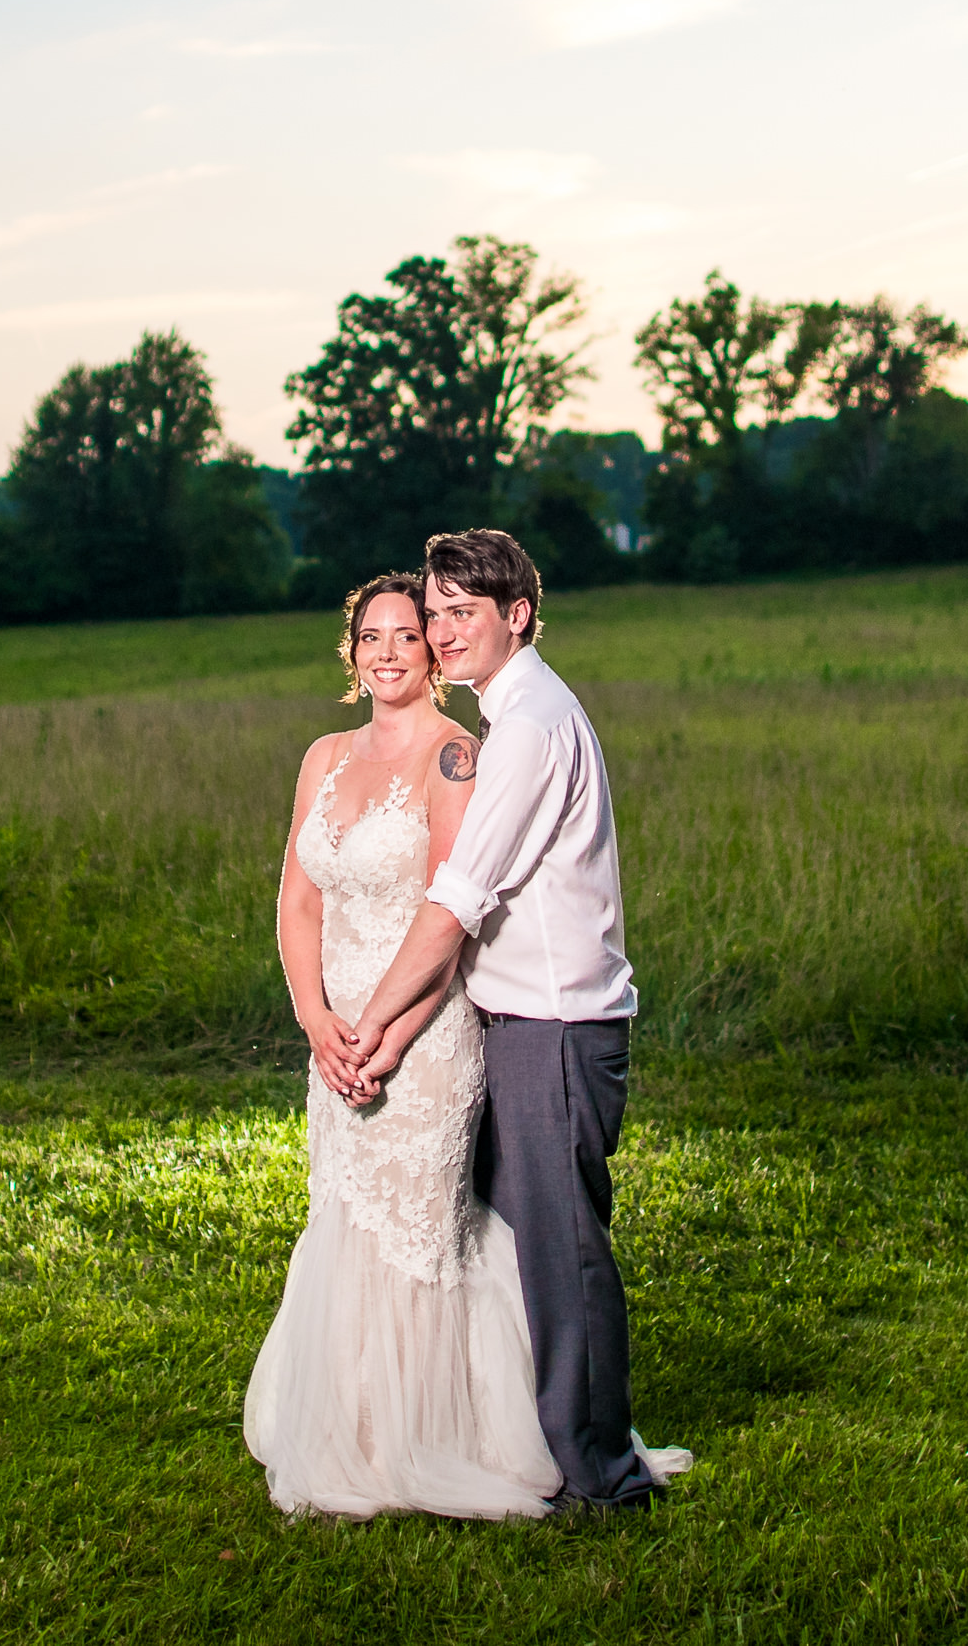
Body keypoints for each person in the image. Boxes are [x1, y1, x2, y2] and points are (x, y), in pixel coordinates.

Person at [341, 528, 688, 1512]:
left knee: (561, 1253)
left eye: (465, 612)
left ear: (517, 615)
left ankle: (603, 1478)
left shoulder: (531, 723)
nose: (444, 632)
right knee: (515, 1242)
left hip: (558, 1031)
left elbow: (460, 898)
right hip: (524, 1024)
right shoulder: (514, 713)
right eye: (436, 612)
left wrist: (369, 1021)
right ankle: (537, 1440)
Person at [239, 572, 559, 1519]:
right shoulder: (323, 756)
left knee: (419, 1234)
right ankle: (350, 1423)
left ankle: (430, 1438)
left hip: (419, 1038)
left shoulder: (456, 756)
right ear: (353, 653)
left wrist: (388, 1033)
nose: (386, 652)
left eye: (406, 636)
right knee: (343, 1218)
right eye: (369, 637)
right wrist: (315, 1019)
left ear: (434, 651)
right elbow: (300, 900)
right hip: (333, 1035)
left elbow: (449, 917)